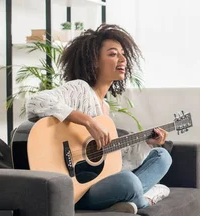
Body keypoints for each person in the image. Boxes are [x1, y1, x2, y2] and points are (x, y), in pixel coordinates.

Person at [25, 24, 172, 214]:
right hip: (75, 189)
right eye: (113, 54)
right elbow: (36, 102)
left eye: (123, 54)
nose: (122, 59)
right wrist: (87, 121)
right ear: (93, 61)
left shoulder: (104, 107)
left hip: (98, 182)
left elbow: (114, 162)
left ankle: (131, 200)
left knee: (162, 157)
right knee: (130, 182)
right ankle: (142, 201)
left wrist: (147, 143)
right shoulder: (79, 89)